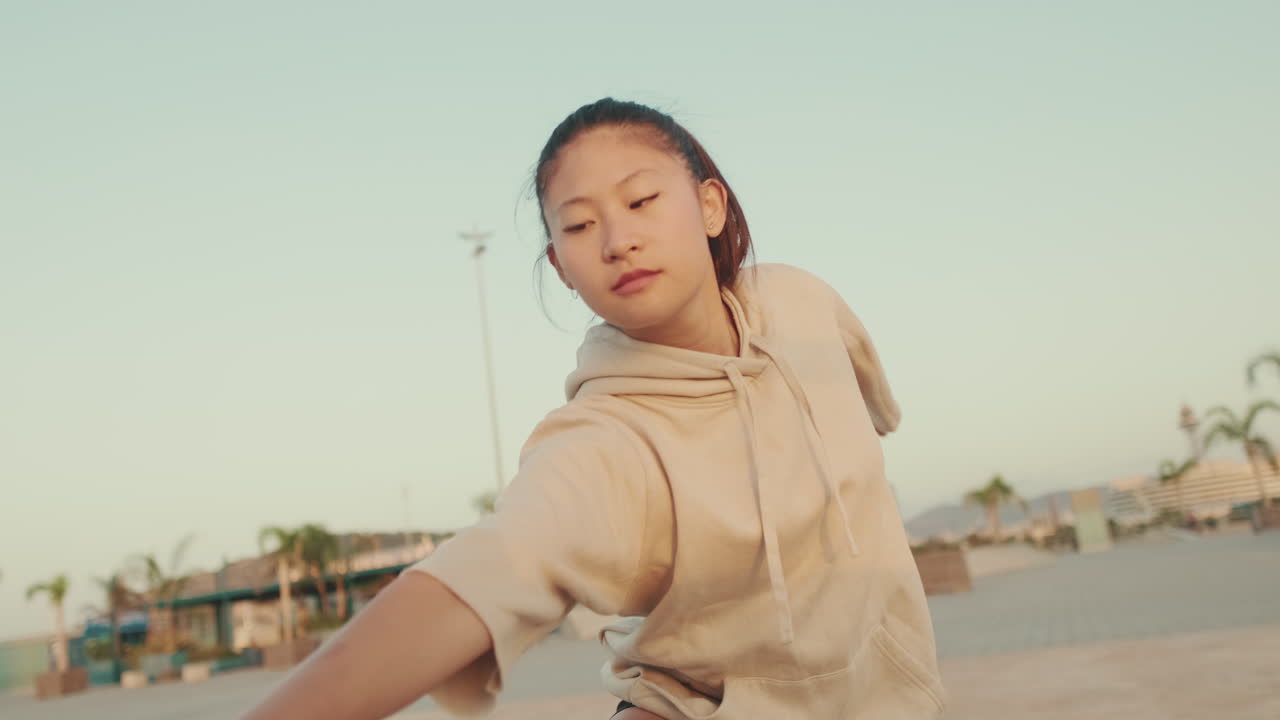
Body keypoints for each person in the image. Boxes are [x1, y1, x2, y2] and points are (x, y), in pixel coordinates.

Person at [244, 98, 944, 720]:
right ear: (560, 268)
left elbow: (867, 421)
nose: (618, 241)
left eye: (641, 202)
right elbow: (487, 569)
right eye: (580, 227)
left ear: (710, 205)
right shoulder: (603, 443)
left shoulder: (803, 303)